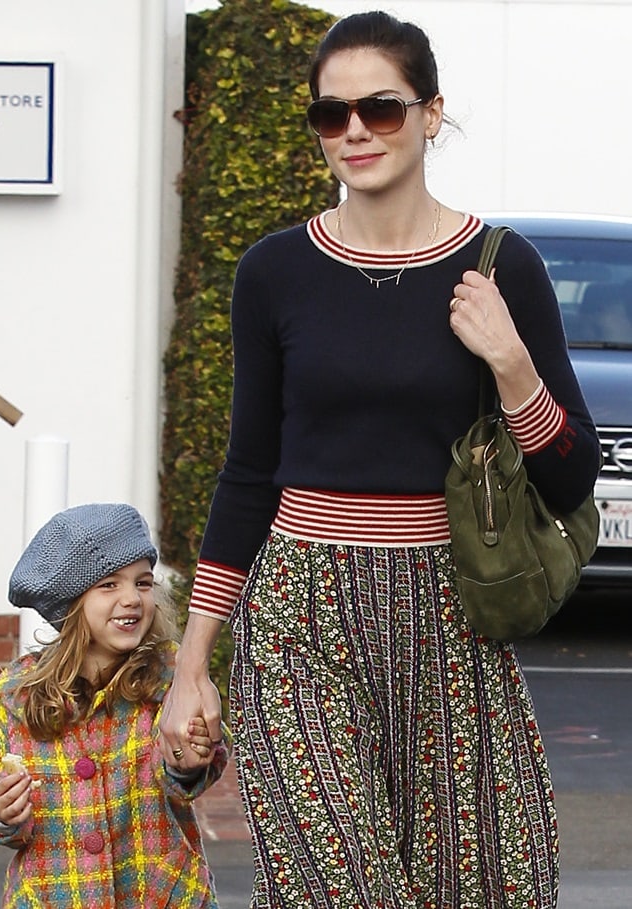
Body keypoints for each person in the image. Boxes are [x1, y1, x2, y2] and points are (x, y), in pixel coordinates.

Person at [160, 11, 600, 908]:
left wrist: (511, 364)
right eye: (331, 114)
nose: (354, 130)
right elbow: (249, 474)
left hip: (450, 616)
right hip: (300, 614)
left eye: (381, 108)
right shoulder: (274, 271)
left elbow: (569, 478)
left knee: (479, 883)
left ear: (432, 115)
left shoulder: (502, 266)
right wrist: (193, 663)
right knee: (339, 885)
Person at [0, 502, 231, 909]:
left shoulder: (170, 679)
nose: (132, 598)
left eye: (143, 582)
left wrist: (187, 762)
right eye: (109, 585)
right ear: (71, 603)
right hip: (54, 894)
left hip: (157, 893)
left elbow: (197, 767)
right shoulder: (22, 698)